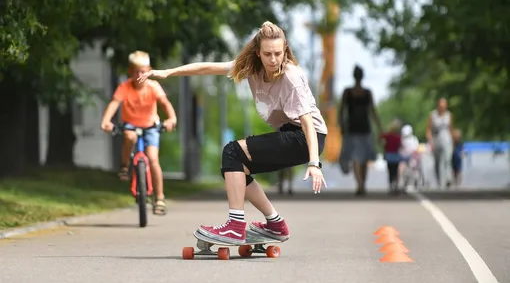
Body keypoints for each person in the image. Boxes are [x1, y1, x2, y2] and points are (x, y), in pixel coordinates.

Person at [137, 21, 328, 245]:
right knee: (236, 167)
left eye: (278, 53)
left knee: (233, 151)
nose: (273, 60)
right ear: (258, 53)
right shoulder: (250, 68)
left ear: (285, 50)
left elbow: (306, 121)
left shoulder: (291, 77)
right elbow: (207, 68)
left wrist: (314, 164)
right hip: (292, 133)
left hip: (306, 137)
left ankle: (235, 227)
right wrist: (168, 72)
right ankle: (275, 224)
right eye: (267, 54)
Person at [100, 51, 178, 215]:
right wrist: (106, 120)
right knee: (129, 136)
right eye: (136, 71)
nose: (139, 75)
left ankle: (160, 198)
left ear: (149, 70)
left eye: (143, 71)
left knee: (153, 159)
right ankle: (124, 166)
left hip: (150, 126)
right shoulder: (125, 87)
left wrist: (171, 118)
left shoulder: (153, 86)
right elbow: (115, 103)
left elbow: (165, 103)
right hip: (130, 125)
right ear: (130, 71)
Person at [338, 65, 383, 195]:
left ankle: (360, 184)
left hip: (353, 128)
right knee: (363, 158)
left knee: (356, 158)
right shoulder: (366, 93)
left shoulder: (348, 92)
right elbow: (373, 111)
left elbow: (341, 111)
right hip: (363, 128)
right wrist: (380, 127)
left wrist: (341, 125)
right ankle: (361, 184)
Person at [426, 97, 454, 189]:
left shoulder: (449, 115)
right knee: (437, 162)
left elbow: (451, 129)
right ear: (438, 105)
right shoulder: (432, 115)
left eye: (444, 105)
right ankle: (438, 181)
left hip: (447, 139)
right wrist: (431, 142)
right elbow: (428, 130)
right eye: (441, 105)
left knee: (447, 160)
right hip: (436, 140)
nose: (443, 107)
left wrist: (453, 142)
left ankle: (448, 178)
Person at [380, 119, 402, 194]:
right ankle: (395, 186)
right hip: (395, 156)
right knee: (395, 171)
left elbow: (381, 138)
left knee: (390, 171)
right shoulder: (398, 137)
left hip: (389, 155)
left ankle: (391, 186)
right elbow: (400, 146)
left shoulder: (388, 136)